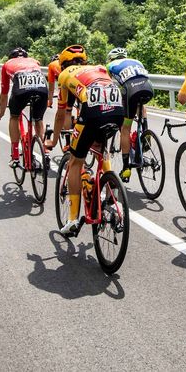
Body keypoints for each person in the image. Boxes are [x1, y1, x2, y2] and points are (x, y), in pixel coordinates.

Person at [53, 45, 125, 237]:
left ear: (63, 64)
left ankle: (72, 219)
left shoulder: (65, 74)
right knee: (102, 150)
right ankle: (113, 200)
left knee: (75, 162)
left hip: (93, 112)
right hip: (118, 109)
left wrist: (55, 139)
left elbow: (62, 114)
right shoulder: (98, 68)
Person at [105, 47, 155, 182]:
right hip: (148, 88)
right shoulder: (136, 61)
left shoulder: (110, 66)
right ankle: (145, 132)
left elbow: (107, 86)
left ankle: (126, 168)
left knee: (125, 129)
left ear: (111, 59)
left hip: (131, 91)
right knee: (140, 104)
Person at [0, 48, 48, 167]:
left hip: (21, 88)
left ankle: (15, 156)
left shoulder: (7, 64)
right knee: (38, 119)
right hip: (42, 87)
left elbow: (4, 93)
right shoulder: (34, 61)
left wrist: (1, 113)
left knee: (14, 117)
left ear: (11, 58)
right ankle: (45, 151)